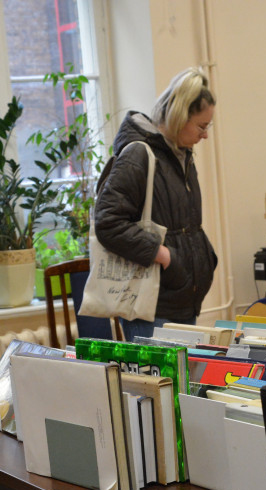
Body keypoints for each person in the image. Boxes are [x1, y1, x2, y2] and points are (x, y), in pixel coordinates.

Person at [93, 67, 218, 341]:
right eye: (201, 126)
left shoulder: (181, 155)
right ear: (178, 116)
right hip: (151, 305)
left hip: (181, 297)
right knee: (156, 371)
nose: (205, 135)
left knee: (183, 371)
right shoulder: (139, 154)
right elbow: (108, 222)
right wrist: (163, 255)